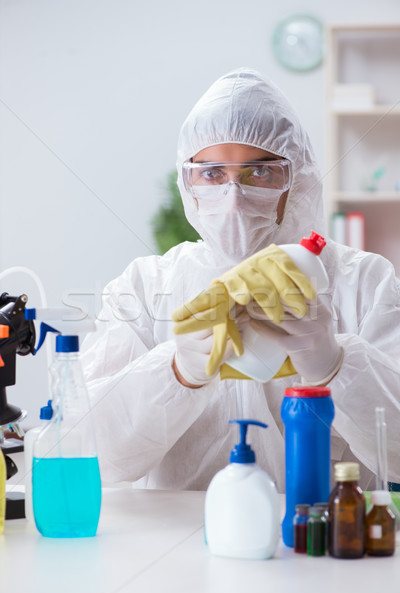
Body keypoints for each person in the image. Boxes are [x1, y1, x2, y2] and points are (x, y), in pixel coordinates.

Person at [81, 68, 400, 492]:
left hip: (321, 546)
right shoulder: (145, 285)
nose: (233, 197)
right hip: (170, 546)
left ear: (297, 177)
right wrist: (177, 372)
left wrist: (336, 366)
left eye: (260, 172)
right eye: (212, 173)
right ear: (188, 180)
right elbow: (88, 453)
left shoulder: (362, 282)